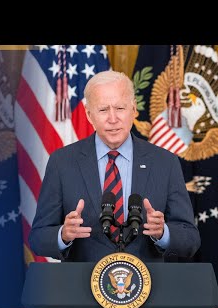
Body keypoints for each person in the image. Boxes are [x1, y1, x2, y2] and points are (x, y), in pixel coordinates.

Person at [29, 70, 200, 262]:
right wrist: (63, 235)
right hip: (81, 286)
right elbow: (38, 238)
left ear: (134, 110)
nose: (112, 119)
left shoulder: (165, 162)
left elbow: (190, 239)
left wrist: (163, 233)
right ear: (89, 114)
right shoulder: (62, 162)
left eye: (120, 108)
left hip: (149, 286)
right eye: (103, 110)